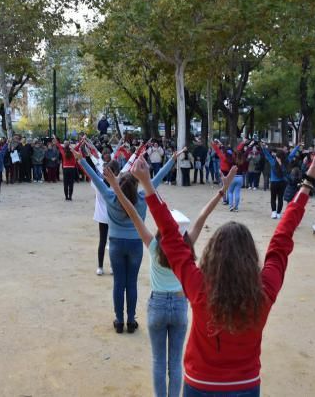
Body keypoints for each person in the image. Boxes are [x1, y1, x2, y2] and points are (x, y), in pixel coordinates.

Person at [133, 154, 315, 396]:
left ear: (212, 256)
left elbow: (171, 237)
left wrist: (148, 185)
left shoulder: (199, 287)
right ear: (250, 258)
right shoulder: (263, 291)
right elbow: (281, 240)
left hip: (200, 384)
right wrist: (307, 182)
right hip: (245, 385)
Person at [106, 164, 228, 397]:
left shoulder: (153, 245)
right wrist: (222, 191)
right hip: (181, 305)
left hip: (158, 305)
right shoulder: (187, 247)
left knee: (158, 362)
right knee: (175, 363)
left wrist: (115, 188)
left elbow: (132, 212)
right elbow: (203, 216)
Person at [75, 146, 178, 334]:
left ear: (119, 185)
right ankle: (131, 320)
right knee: (131, 283)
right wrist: (172, 160)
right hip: (135, 244)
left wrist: (81, 159)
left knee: (118, 283)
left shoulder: (110, 196)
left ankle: (119, 320)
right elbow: (157, 179)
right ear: (136, 185)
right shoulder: (142, 197)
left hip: (115, 243)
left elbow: (96, 179)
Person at [261, 143, 301, 219]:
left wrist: (263, 148)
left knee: (273, 197)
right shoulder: (286, 161)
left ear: (277, 156)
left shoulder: (273, 162)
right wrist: (297, 147)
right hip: (283, 182)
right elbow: (292, 154)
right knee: (280, 197)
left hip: (274, 182)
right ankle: (279, 213)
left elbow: (267, 155)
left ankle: (274, 212)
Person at [53, 136, 82, 201]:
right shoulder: (73, 150)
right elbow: (79, 145)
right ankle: (70, 197)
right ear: (69, 145)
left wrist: (55, 138)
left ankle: (66, 197)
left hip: (65, 169)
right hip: (72, 169)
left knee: (65, 183)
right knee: (71, 183)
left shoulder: (63, 151)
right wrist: (83, 139)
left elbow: (58, 144)